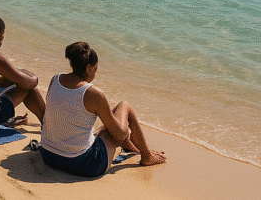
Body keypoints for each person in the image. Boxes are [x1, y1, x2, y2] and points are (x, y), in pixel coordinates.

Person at [39, 41, 166, 177]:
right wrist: (124, 132)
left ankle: (135, 147)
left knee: (111, 119)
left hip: (48, 155)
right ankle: (147, 156)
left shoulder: (56, 80)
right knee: (124, 106)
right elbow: (120, 135)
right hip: (81, 164)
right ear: (88, 68)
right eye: (95, 69)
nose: (95, 74)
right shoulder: (92, 93)